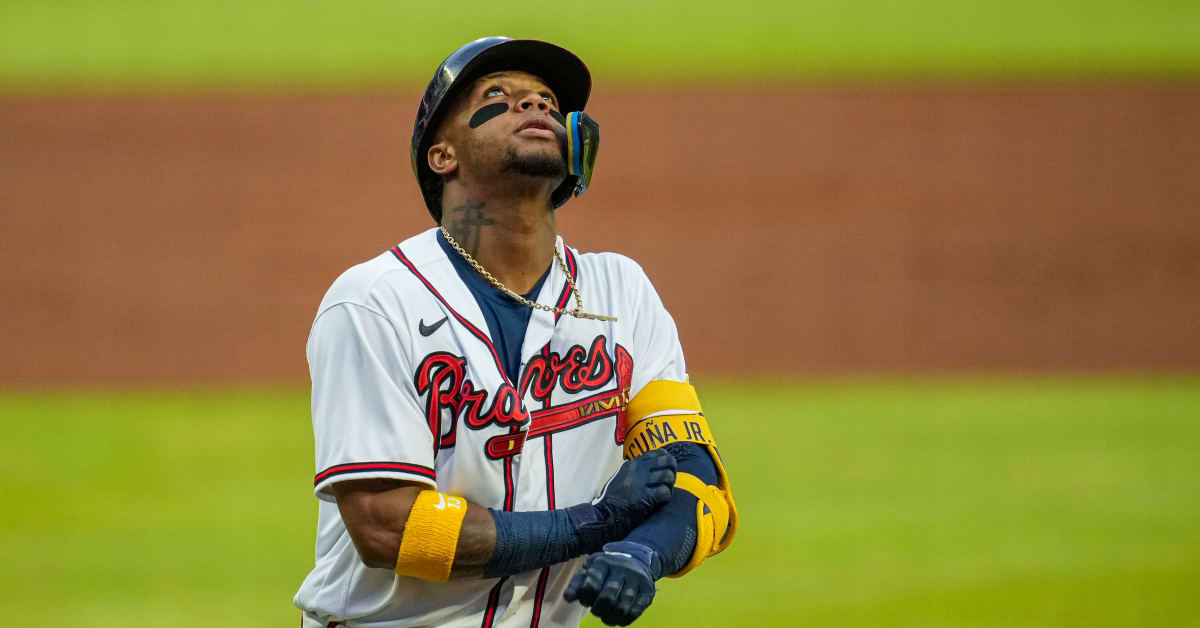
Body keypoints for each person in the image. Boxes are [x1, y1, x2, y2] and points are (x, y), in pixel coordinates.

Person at [294, 37, 738, 628]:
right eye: (497, 95)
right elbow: (390, 526)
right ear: (442, 155)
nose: (534, 107)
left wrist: (642, 552)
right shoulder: (376, 301)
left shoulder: (621, 291)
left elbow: (695, 476)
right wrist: (598, 523)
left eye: (548, 102)